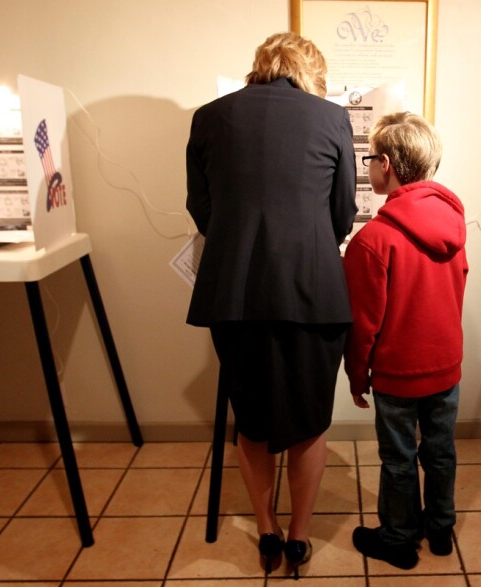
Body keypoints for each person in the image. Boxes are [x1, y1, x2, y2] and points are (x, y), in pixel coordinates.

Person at [185, 32, 357, 579]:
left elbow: (201, 207)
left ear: (259, 65)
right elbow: (341, 214)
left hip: (235, 293)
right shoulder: (332, 120)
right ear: (311, 70)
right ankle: (301, 538)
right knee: (309, 422)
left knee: (252, 419)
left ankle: (266, 528)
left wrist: (239, 241)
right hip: (312, 290)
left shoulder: (209, 117)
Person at [343, 112, 468, 570]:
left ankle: (398, 539)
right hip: (445, 366)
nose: (368, 166)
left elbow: (363, 322)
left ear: (388, 164)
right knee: (440, 451)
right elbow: (458, 286)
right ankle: (440, 530)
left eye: (370, 158)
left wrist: (357, 376)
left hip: (397, 374)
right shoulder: (453, 224)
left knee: (398, 458)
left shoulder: (373, 240)